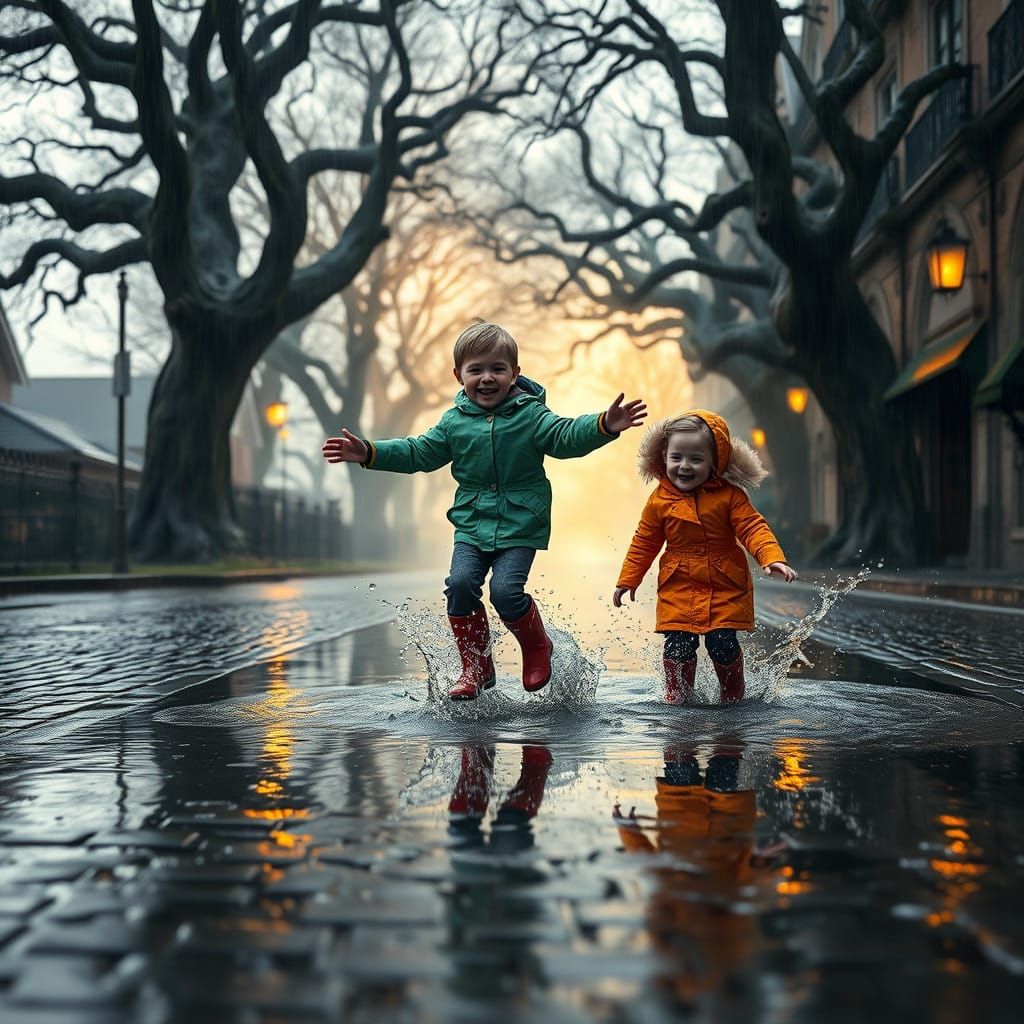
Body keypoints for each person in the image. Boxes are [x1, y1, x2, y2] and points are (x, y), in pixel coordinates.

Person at [322, 321, 646, 700]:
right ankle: (476, 666)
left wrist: (604, 425)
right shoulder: (453, 423)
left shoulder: (531, 416)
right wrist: (370, 452)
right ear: (459, 375)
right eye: (476, 370)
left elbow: (565, 436)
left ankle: (537, 646)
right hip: (472, 524)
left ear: (515, 375)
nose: (487, 378)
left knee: (506, 592)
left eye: (498, 369)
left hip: (520, 523)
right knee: (459, 587)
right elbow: (418, 453)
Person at [612, 409, 797, 704]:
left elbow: (752, 526)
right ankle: (678, 695)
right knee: (678, 645)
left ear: (716, 461)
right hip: (679, 585)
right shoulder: (659, 500)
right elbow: (644, 541)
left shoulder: (730, 496)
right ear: (664, 457)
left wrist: (771, 557)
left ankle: (732, 693)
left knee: (721, 641)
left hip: (724, 583)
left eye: (696, 459)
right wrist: (628, 580)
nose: (684, 466)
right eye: (677, 458)